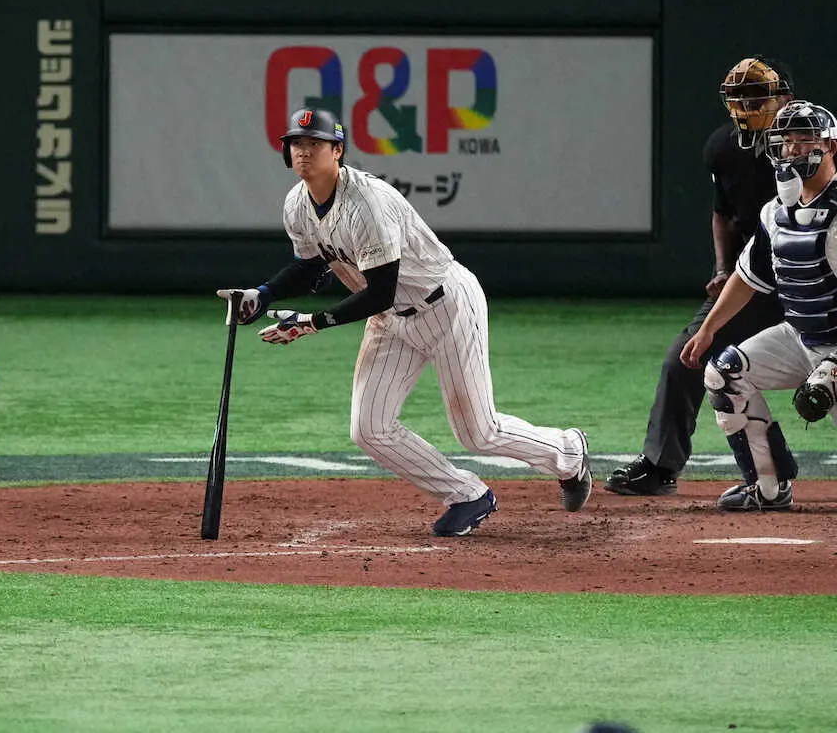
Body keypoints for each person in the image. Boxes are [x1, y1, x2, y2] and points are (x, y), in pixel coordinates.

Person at [217, 108, 592, 537]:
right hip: (390, 320)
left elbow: (381, 290)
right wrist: (262, 295)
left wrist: (311, 323)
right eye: (296, 144)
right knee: (369, 428)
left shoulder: (368, 205)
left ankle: (568, 452)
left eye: (315, 144)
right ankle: (466, 494)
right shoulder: (296, 204)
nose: (303, 152)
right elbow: (310, 266)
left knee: (478, 432)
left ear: (337, 150)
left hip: (446, 306)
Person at [605, 56, 791, 496]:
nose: (747, 104)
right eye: (739, 96)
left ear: (786, 95)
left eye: (757, 94)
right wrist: (723, 269)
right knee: (685, 358)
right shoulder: (724, 148)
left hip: (817, 280)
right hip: (753, 275)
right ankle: (660, 464)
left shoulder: (809, 142)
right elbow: (723, 213)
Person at [681, 100, 837, 511]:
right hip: (802, 337)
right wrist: (708, 329)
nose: (794, 149)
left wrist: (833, 366)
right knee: (724, 374)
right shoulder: (776, 213)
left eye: (806, 139)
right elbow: (747, 277)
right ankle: (769, 486)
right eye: (787, 141)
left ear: (830, 145)